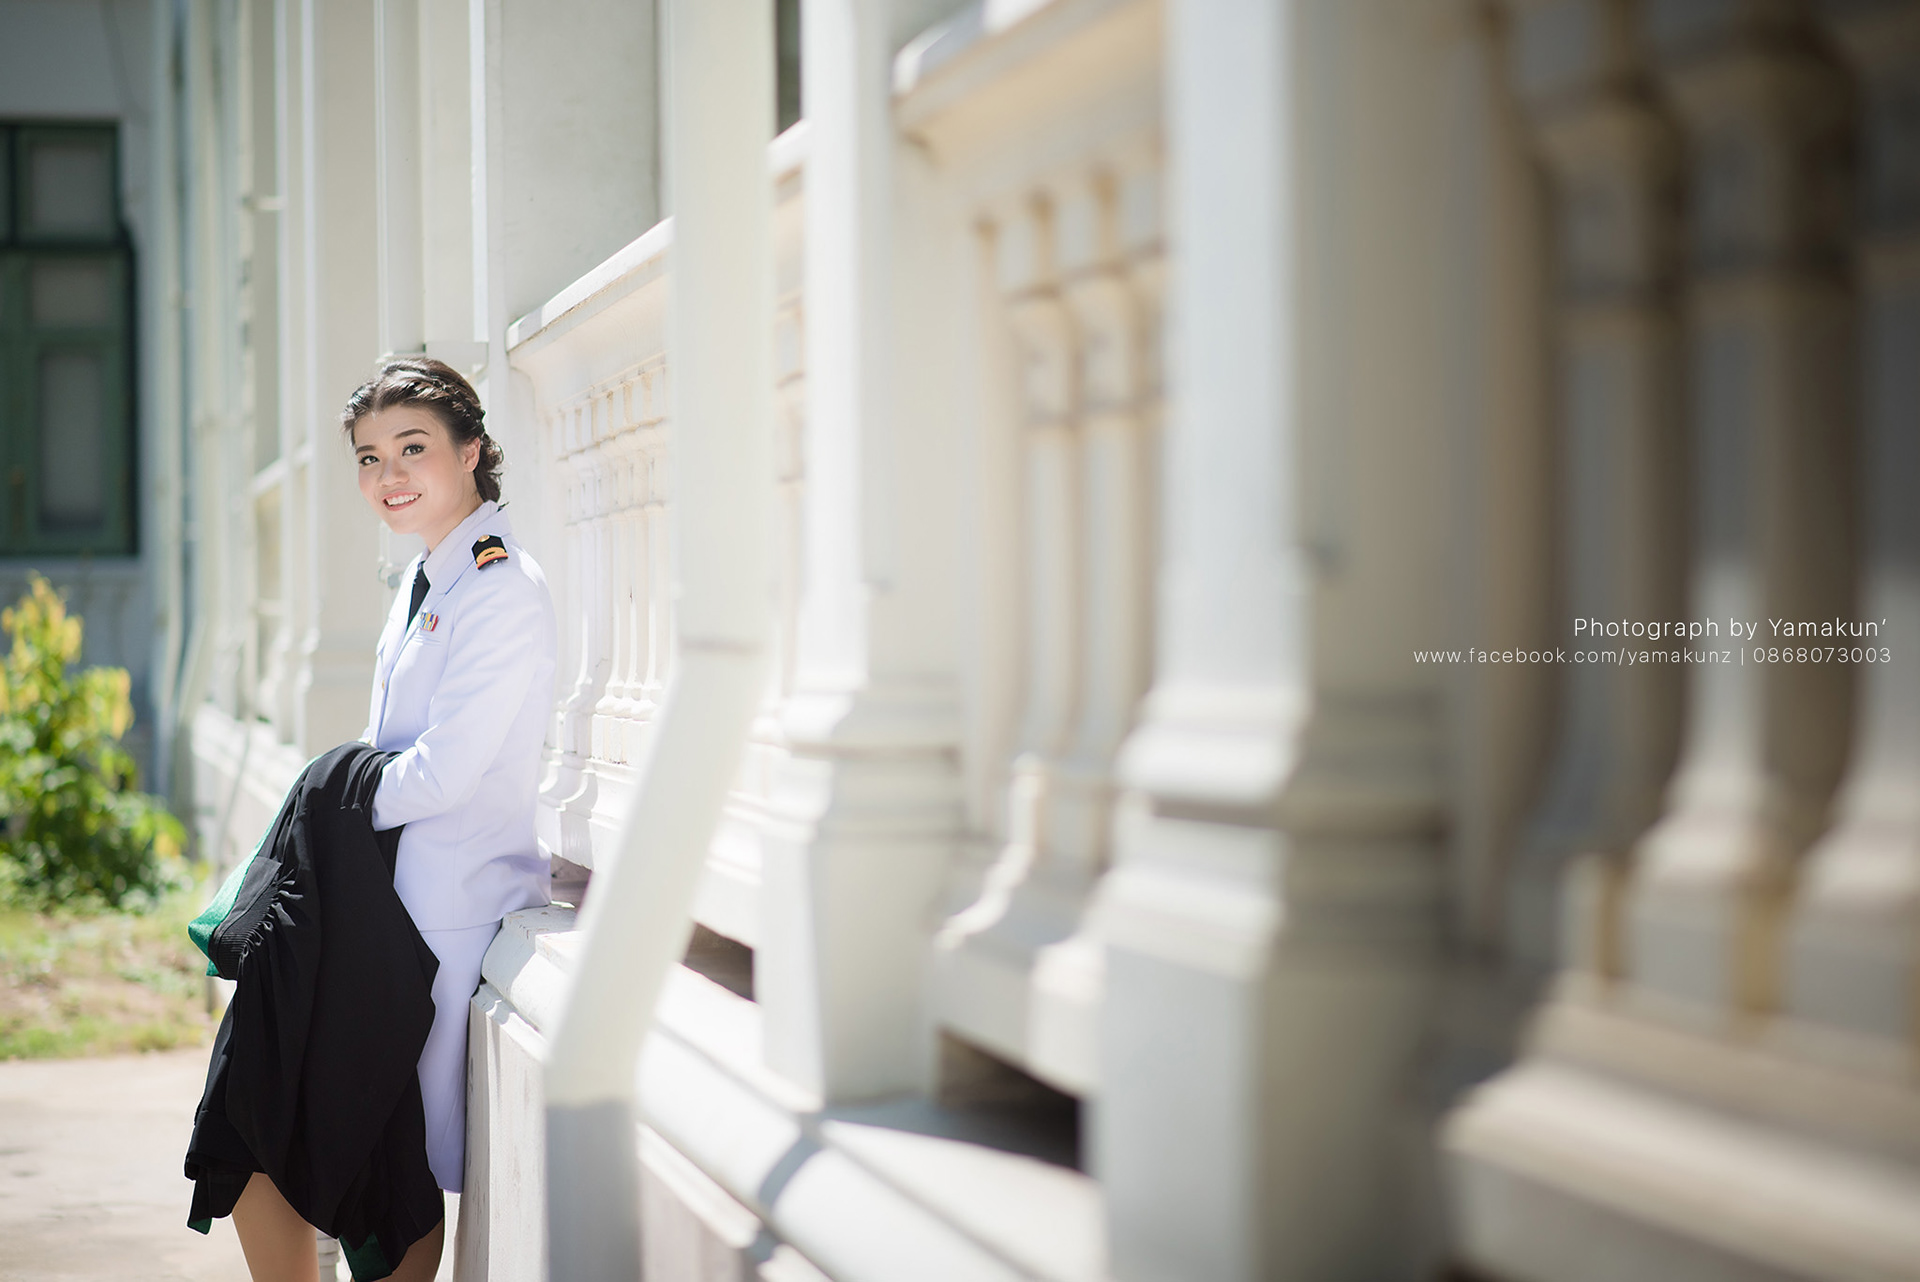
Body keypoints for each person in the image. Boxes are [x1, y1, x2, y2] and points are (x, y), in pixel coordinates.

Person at [229, 357, 558, 1281]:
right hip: (376, 904)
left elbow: (444, 774)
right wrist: (343, 803)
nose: (389, 475)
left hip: (438, 917)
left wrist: (331, 793)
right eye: (370, 458)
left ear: (472, 451)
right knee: (269, 1126)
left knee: (389, 1163)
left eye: (413, 448)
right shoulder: (424, 575)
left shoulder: (499, 587)